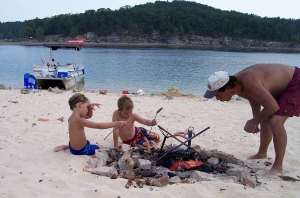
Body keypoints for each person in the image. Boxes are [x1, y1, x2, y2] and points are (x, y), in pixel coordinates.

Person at [203, 63, 300, 175]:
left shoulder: (248, 82)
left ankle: (278, 167)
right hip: (283, 85)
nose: (217, 98)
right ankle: (262, 153)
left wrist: (253, 121)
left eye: (217, 94)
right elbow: (254, 99)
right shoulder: (238, 86)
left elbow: (273, 107)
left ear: (228, 88)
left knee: (275, 121)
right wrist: (256, 120)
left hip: (295, 82)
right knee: (264, 118)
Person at [53, 93, 127, 155]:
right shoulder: (79, 120)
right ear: (80, 105)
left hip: (73, 147)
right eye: (87, 107)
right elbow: (98, 125)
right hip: (82, 150)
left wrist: (90, 108)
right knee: (100, 146)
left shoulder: (72, 117)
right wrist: (116, 123)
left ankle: (67, 146)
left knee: (83, 144)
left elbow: (88, 116)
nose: (87, 109)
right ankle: (67, 147)